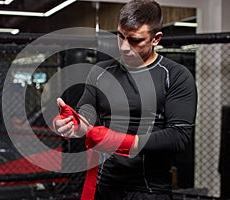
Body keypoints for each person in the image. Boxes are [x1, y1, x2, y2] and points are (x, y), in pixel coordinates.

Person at [53, 0, 198, 199]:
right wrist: (73, 123)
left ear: (156, 39)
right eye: (120, 37)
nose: (125, 47)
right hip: (106, 184)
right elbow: (87, 111)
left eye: (135, 40)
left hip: (149, 189)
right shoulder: (101, 72)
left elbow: (179, 136)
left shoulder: (175, 75)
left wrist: (118, 141)